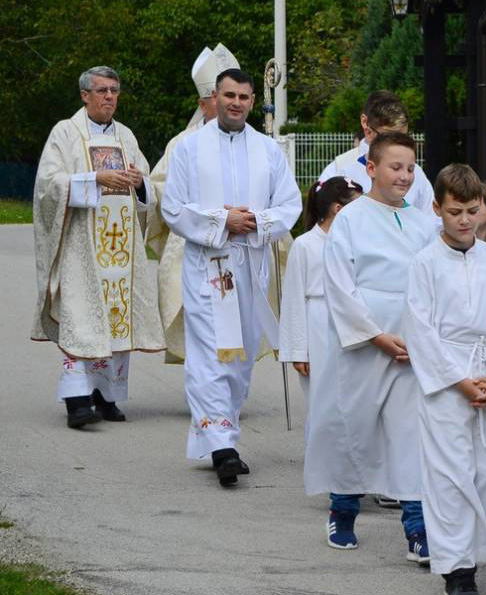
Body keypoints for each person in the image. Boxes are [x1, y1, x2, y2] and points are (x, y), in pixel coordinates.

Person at [161, 68, 302, 487]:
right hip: (209, 264)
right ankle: (222, 445)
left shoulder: (269, 150)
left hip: (250, 264)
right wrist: (224, 220)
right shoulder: (189, 148)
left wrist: (255, 220)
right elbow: (174, 208)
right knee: (209, 352)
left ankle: (223, 430)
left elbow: (290, 205)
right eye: (228, 95)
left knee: (239, 353)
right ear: (215, 97)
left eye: (243, 96)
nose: (236, 102)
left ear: (253, 101)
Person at [402, 164, 486, 595]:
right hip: (447, 381)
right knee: (450, 475)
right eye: (454, 211)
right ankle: (459, 569)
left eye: (472, 211)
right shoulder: (424, 263)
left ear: (484, 210)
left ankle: (462, 548)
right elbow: (420, 330)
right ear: (436, 208)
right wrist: (460, 382)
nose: (463, 221)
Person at [315, 131, 436, 562]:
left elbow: (434, 282)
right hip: (366, 341)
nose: (404, 175)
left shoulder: (426, 223)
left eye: (410, 168)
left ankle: (417, 528)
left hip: (412, 341)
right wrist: (376, 336)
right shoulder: (351, 219)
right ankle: (343, 510)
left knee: (411, 436)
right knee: (356, 428)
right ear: (370, 168)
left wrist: (422, 336)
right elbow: (340, 285)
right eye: (394, 167)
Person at [32, 65, 163, 429]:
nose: (109, 97)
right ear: (84, 96)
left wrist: (138, 184)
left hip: (120, 252)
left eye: (114, 90)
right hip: (81, 250)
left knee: (116, 321)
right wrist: (94, 178)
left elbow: (147, 188)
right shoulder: (66, 132)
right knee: (82, 318)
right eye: (102, 90)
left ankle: (106, 397)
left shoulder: (126, 137)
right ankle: (77, 402)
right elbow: (47, 186)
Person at [148, 44, 240, 364]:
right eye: (219, 96)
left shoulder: (253, 143)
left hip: (237, 247)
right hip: (191, 248)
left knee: (232, 323)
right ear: (203, 103)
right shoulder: (182, 144)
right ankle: (203, 392)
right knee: (200, 324)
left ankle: (227, 390)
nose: (228, 102)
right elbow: (159, 190)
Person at [278, 176, 363, 496]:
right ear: (337, 209)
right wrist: (298, 349)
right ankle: (328, 473)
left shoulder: (357, 244)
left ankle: (354, 472)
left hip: (350, 325)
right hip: (317, 325)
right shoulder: (306, 245)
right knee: (323, 404)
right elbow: (294, 298)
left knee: (354, 402)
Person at [317, 91, 433, 213]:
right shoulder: (339, 169)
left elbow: (432, 222)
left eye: (403, 138)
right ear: (366, 127)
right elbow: (322, 221)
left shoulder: (416, 174)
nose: (398, 146)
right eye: (388, 137)